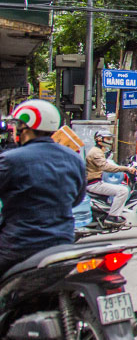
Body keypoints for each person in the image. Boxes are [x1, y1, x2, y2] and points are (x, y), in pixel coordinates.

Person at [0, 100, 86, 277]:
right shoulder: (74, 158)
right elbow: (77, 199)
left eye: (17, 125)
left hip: (19, 245)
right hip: (63, 243)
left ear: (26, 127)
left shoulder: (10, 160)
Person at [85, 130, 136, 224]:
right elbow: (105, 167)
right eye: (107, 139)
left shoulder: (99, 151)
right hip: (94, 184)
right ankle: (112, 216)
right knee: (123, 190)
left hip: (96, 182)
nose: (110, 141)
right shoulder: (96, 152)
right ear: (99, 140)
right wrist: (126, 169)